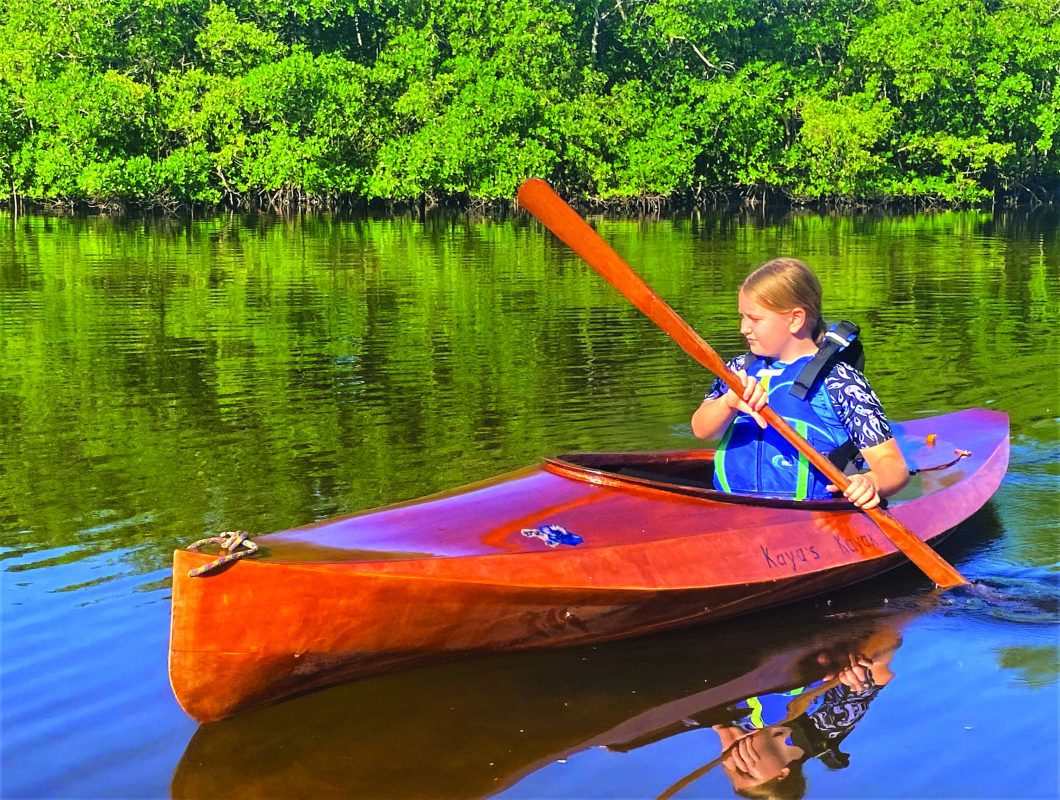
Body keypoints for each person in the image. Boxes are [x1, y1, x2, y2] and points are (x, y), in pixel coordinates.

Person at [690, 258, 909, 509]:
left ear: (795, 319)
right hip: (733, 508)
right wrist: (728, 403)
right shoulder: (738, 370)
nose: (743, 328)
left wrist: (871, 482)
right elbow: (701, 429)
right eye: (742, 317)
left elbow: (893, 467)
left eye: (754, 319)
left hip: (811, 515)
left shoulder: (841, 381)